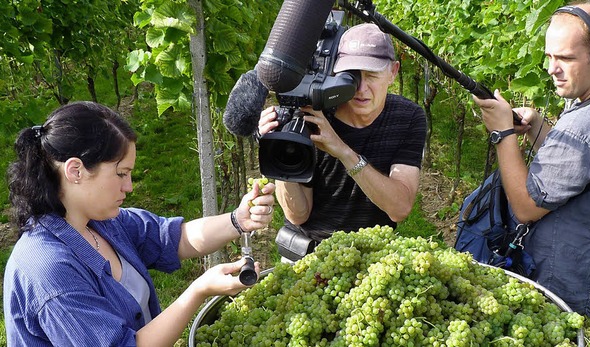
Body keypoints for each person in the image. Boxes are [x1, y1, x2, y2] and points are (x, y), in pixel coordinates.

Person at [3, 101, 276, 346]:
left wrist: (238, 220)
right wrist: (198, 290)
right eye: (121, 174)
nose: (129, 186)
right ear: (76, 170)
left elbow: (173, 238)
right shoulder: (48, 272)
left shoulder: (101, 222)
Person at [473, 1, 590, 317]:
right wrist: (536, 125)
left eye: (565, 58)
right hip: (577, 271)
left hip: (555, 287)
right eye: (549, 56)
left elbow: (525, 207)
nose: (551, 68)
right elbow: (580, 166)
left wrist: (502, 134)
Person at [258, 23, 427, 252]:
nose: (361, 89)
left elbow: (399, 208)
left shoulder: (408, 117)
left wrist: (343, 152)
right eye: (352, 77)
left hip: (373, 254)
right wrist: (281, 153)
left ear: (393, 72)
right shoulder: (313, 114)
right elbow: (298, 215)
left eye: (372, 76)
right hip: (311, 253)